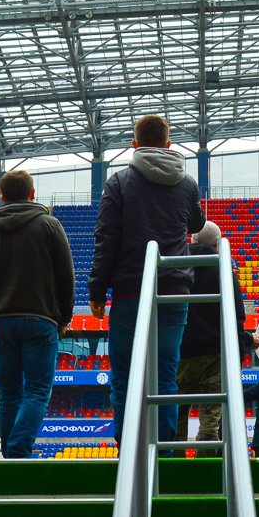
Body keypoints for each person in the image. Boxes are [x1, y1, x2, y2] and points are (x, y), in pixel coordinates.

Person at [89, 115, 205, 444]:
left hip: (130, 290)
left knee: (124, 375)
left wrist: (97, 289)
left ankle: (127, 446)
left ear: (134, 144)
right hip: (174, 289)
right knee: (165, 372)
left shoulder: (118, 182)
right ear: (168, 144)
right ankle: (163, 449)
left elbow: (106, 238)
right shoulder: (187, 183)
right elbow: (196, 225)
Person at [0, 167, 75, 459]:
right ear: (33, 194)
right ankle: (18, 450)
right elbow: (66, 275)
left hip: (2, 320)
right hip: (41, 318)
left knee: (9, 393)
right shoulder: (49, 225)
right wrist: (64, 317)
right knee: (37, 390)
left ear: (1, 196)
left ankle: (10, 455)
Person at [177, 221, 249, 448]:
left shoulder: (175, 263)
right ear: (217, 245)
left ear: (191, 240)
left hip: (182, 349)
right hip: (216, 352)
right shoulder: (223, 268)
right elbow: (237, 315)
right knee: (210, 417)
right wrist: (242, 347)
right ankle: (207, 463)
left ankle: (172, 461)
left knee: (178, 411)